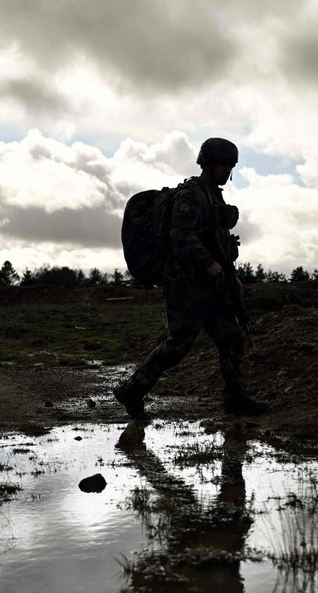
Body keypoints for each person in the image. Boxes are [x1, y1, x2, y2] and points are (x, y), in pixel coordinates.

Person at [113, 137, 268, 419]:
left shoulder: (213, 196)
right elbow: (181, 237)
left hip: (213, 285)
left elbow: (217, 239)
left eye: (231, 166)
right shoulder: (189, 195)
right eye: (224, 165)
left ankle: (235, 399)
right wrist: (209, 264)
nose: (227, 172)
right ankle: (132, 390)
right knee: (178, 345)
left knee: (231, 339)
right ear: (208, 163)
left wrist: (230, 275)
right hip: (187, 285)